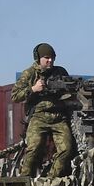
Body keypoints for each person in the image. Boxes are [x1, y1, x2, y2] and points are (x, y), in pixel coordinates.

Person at [12, 42, 76, 177]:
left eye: (52, 57)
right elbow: (15, 95)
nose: (50, 60)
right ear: (38, 58)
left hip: (59, 117)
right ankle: (24, 181)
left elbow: (72, 90)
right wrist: (33, 89)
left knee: (67, 149)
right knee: (34, 149)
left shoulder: (60, 72)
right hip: (39, 116)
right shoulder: (29, 74)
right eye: (47, 57)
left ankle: (50, 181)